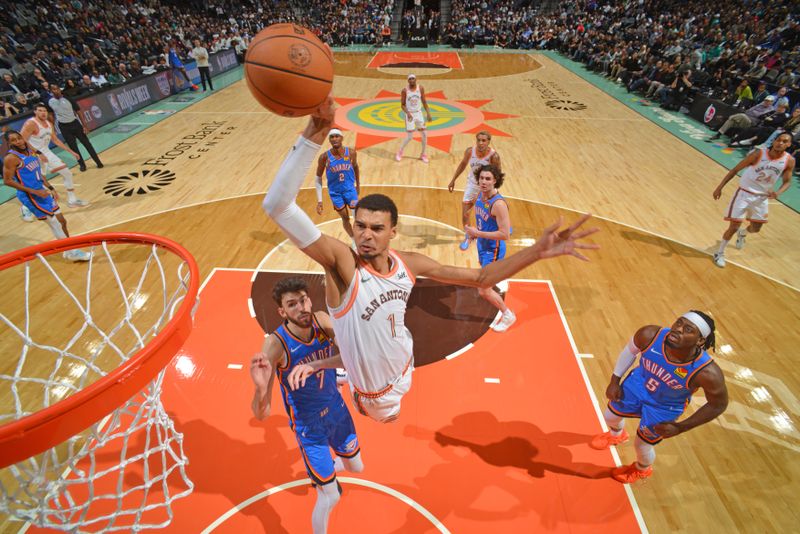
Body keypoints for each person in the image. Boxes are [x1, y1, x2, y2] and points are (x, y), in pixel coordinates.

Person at [262, 97, 599, 423]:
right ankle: (355, 393)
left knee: (360, 350)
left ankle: (342, 371)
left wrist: (536, 252)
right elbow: (277, 206)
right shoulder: (342, 265)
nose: (365, 234)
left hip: (405, 360)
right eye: (360, 225)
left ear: (393, 232)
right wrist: (314, 133)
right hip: (378, 395)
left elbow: (482, 278)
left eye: (376, 228)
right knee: (383, 415)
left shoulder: (411, 262)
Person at [249, 277, 362, 534]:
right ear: (282, 312)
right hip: (310, 427)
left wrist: (320, 366)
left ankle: (325, 475)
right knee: (331, 497)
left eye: (303, 300)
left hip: (337, 409)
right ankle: (324, 482)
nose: (302, 308)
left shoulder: (321, 320)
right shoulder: (276, 345)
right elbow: (262, 414)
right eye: (292, 305)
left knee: (357, 467)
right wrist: (259, 388)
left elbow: (351, 353)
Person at [590, 311, 727, 483]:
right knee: (609, 417)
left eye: (688, 329)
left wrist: (680, 427)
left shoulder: (707, 372)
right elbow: (629, 351)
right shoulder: (650, 335)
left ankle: (642, 469)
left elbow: (718, 405)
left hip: (664, 406)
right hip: (638, 385)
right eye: (678, 323)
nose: (678, 329)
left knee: (641, 445)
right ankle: (617, 434)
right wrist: (615, 380)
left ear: (700, 340)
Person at [2, 130, 90, 261]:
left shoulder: (30, 151)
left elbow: (38, 173)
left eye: (19, 138)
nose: (18, 141)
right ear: (9, 143)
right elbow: (7, 181)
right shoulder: (11, 158)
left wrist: (50, 187)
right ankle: (71, 252)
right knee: (54, 223)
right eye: (13, 140)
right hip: (30, 195)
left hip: (42, 190)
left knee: (62, 221)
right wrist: (35, 192)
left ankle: (67, 248)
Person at [711, 132, 795, 268]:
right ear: (773, 142)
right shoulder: (758, 154)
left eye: (785, 141)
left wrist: (778, 192)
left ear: (789, 144)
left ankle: (743, 233)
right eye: (778, 140)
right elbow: (735, 170)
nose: (780, 143)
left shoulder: (789, 160)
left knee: (756, 228)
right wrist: (719, 187)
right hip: (744, 194)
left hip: (762, 198)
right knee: (733, 226)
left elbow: (787, 182)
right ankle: (719, 253)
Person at [464, 165, 515, 332]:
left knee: (483, 291)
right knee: (485, 279)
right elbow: (483, 222)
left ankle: (507, 315)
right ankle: (494, 281)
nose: (484, 182)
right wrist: (474, 235)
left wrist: (477, 232)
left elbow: (505, 234)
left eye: (488, 179)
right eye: (482, 178)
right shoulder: (481, 195)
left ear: (495, 181)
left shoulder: (498, 204)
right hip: (483, 245)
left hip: (493, 249)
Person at [21, 103, 88, 207]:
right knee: (37, 183)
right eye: (40, 110)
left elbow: (55, 140)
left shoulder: (49, 123)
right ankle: (26, 208)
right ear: (35, 112)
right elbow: (23, 141)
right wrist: (37, 153)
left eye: (44, 111)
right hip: (33, 155)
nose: (43, 113)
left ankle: (72, 200)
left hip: (46, 152)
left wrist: (71, 151)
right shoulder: (30, 124)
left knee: (67, 173)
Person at [447, 131, 501, 251]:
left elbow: (497, 176)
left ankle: (496, 231)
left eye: (484, 140)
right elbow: (462, 164)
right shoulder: (470, 151)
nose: (481, 143)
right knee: (466, 212)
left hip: (489, 186)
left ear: (488, 142)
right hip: (472, 184)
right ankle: (469, 235)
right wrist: (453, 180)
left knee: (489, 212)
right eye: (479, 140)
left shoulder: (494, 156)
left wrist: (482, 192)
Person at [314, 129, 360, 238]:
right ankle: (353, 240)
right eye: (332, 137)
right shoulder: (324, 157)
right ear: (329, 140)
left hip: (350, 190)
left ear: (342, 138)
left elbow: (356, 167)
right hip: (336, 193)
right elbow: (318, 178)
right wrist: (320, 200)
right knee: (345, 218)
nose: (334, 139)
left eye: (337, 136)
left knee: (357, 217)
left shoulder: (351, 153)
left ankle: (359, 240)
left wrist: (358, 185)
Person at [47, 85, 103, 172]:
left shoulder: (68, 99)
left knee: (87, 144)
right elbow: (51, 116)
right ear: (51, 91)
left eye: (57, 88)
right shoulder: (50, 102)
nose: (56, 90)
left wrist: (85, 126)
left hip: (75, 124)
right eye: (54, 89)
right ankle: (82, 164)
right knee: (73, 148)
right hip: (64, 127)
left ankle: (98, 161)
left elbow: (79, 112)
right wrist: (52, 130)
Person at [395, 74, 432, 163]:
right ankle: (400, 151)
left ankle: (423, 154)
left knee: (424, 134)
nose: (412, 80)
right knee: (410, 136)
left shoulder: (420, 88)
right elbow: (402, 105)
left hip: (419, 113)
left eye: (413, 78)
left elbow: (424, 101)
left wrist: (428, 113)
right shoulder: (405, 91)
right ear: (408, 81)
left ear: (416, 80)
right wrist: (407, 113)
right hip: (410, 114)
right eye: (410, 79)